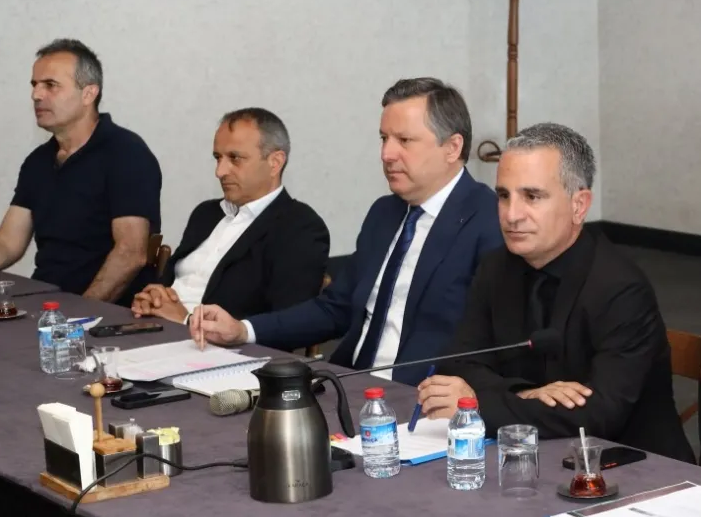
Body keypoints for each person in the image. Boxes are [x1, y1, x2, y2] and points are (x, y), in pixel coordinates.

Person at [189, 78, 502, 385]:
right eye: (384, 139)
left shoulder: (489, 221)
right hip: (347, 384)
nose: (387, 154)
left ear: (452, 147)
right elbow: (335, 309)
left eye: (404, 140)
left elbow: (497, 341)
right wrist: (242, 330)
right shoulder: (385, 213)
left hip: (421, 397)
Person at [417, 122, 694, 463]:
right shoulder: (496, 268)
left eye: (532, 197)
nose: (512, 215)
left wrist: (480, 403)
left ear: (579, 205)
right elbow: (458, 364)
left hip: (631, 468)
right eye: (503, 196)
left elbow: (598, 415)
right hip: (529, 456)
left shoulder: (620, 288)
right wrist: (525, 393)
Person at [0, 39, 161, 304]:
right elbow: (7, 243)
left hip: (107, 312)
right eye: (34, 85)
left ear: (88, 94)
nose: (36, 95)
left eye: (50, 85)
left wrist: (77, 313)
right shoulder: (38, 161)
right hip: (45, 302)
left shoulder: (126, 154)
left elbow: (131, 252)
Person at [132, 108, 329, 324]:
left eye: (235, 158)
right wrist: (154, 298)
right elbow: (171, 286)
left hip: (214, 343)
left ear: (275, 162)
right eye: (218, 158)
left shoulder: (300, 228)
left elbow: (288, 324)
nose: (220, 171)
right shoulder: (205, 214)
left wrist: (187, 320)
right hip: (155, 330)